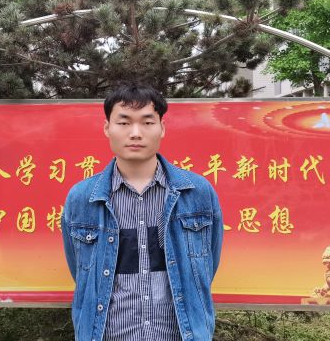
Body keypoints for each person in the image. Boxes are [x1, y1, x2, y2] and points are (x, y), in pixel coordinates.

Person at [61, 83, 223, 341]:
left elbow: (207, 265)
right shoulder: (82, 198)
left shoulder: (197, 192)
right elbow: (80, 271)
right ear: (107, 128)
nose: (135, 133)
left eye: (147, 122)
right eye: (124, 122)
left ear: (162, 128)